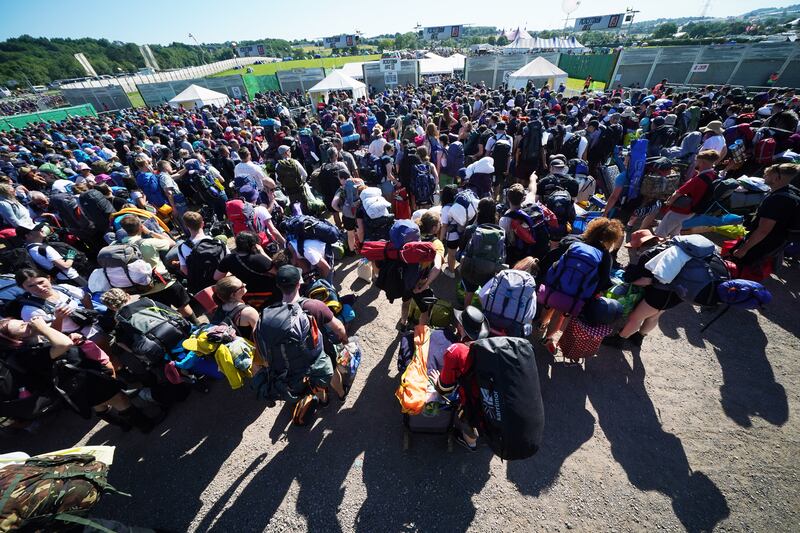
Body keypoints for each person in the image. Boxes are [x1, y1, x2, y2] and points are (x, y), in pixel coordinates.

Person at [0, 315, 161, 432]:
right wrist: (43, 327)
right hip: (80, 381)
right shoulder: (24, 354)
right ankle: (145, 424)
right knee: (119, 399)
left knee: (99, 404)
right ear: (12, 340)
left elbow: (60, 345)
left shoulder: (28, 344)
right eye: (21, 327)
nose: (28, 324)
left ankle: (122, 424)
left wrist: (69, 338)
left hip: (75, 382)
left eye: (22, 322)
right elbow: (63, 345)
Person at [429, 306, 491, 451]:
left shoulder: (456, 351)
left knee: (469, 417)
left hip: (476, 402)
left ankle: (470, 442)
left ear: (461, 326)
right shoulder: (489, 344)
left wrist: (438, 379)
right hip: (494, 395)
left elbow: (445, 388)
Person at [732, 163, 800, 267]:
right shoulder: (791, 191)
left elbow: (763, 231)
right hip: (777, 242)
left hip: (762, 244)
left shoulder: (776, 201)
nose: (764, 176)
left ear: (776, 178)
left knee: (738, 265)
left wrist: (743, 250)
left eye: (767, 174)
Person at [655, 150, 719, 238]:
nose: (695, 163)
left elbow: (678, 193)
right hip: (693, 210)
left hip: (681, 209)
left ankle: (652, 250)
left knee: (661, 231)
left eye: (697, 161)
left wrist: (668, 202)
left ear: (702, 162)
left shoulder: (699, 179)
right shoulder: (713, 174)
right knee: (675, 233)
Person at [398, 211, 444, 330]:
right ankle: (421, 332)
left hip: (406, 278)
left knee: (406, 302)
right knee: (425, 310)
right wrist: (425, 286)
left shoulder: (412, 235)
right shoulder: (436, 243)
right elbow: (437, 267)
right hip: (420, 283)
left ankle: (403, 323)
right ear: (434, 228)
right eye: (439, 224)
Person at [214, 232, 284, 303]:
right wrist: (263, 253)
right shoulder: (259, 259)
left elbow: (216, 277)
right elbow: (279, 272)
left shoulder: (227, 259)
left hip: (247, 296)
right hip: (270, 293)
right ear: (254, 246)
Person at [18, 223, 87, 287]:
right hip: (72, 278)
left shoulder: (29, 249)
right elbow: (65, 266)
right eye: (37, 229)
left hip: (61, 280)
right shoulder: (44, 248)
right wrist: (70, 256)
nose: (42, 229)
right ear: (27, 236)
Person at [209, 276, 259, 340]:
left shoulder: (219, 306)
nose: (245, 284)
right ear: (233, 294)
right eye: (241, 286)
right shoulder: (249, 312)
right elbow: (260, 335)